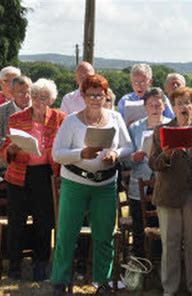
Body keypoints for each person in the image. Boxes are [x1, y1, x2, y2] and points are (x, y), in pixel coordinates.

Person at [51, 74, 133, 294]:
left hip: (105, 185)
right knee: (67, 234)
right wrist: (81, 153)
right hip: (75, 183)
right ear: (83, 96)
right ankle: (60, 280)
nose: (96, 98)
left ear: (106, 96)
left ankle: (102, 281)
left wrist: (116, 153)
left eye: (100, 94)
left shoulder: (115, 118)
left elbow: (129, 147)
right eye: (91, 94)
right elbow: (57, 154)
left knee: (105, 235)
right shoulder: (71, 121)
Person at [149, 87, 192, 296]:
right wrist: (167, 155)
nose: (183, 107)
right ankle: (170, 290)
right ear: (173, 107)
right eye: (179, 103)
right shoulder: (160, 131)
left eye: (187, 102)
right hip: (169, 195)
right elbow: (153, 164)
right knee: (170, 244)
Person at [1, 78, 65, 281]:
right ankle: (14, 267)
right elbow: (6, 149)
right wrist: (11, 149)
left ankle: (40, 267)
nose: (37, 101)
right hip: (19, 174)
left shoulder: (59, 118)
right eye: (35, 96)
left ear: (51, 100)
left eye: (43, 97)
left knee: (44, 224)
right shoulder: (17, 118)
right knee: (16, 223)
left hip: (45, 175)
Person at [127, 87, 170, 257]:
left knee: (162, 226)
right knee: (139, 228)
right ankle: (139, 265)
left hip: (164, 183)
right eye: (151, 105)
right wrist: (133, 157)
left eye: (158, 105)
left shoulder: (170, 126)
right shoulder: (135, 127)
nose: (155, 109)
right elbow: (125, 156)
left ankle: (158, 266)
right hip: (139, 184)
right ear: (145, 107)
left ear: (164, 107)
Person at [0, 76, 32, 169]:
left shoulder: (39, 110)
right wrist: (12, 145)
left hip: (34, 166)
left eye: (29, 92)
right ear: (12, 93)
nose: (26, 96)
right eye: (21, 93)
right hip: (7, 166)